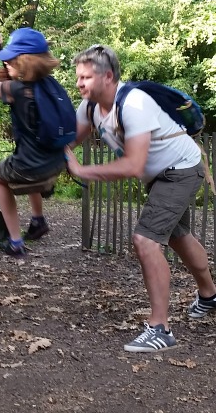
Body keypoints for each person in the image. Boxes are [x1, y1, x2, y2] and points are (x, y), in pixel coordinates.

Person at [65, 44, 216, 353]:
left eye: (86, 77)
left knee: (145, 241)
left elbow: (132, 165)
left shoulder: (133, 104)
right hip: (161, 175)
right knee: (178, 237)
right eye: (78, 77)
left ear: (108, 76)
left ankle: (161, 329)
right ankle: (210, 294)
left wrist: (82, 171)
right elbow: (69, 141)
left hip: (181, 170)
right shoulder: (89, 107)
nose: (79, 83)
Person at [0, 27, 67, 257]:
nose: (5, 63)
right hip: (56, 161)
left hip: (33, 166)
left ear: (23, 61)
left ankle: (15, 242)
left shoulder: (17, 90)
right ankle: (37, 220)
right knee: (22, 159)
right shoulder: (50, 85)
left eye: (10, 59)